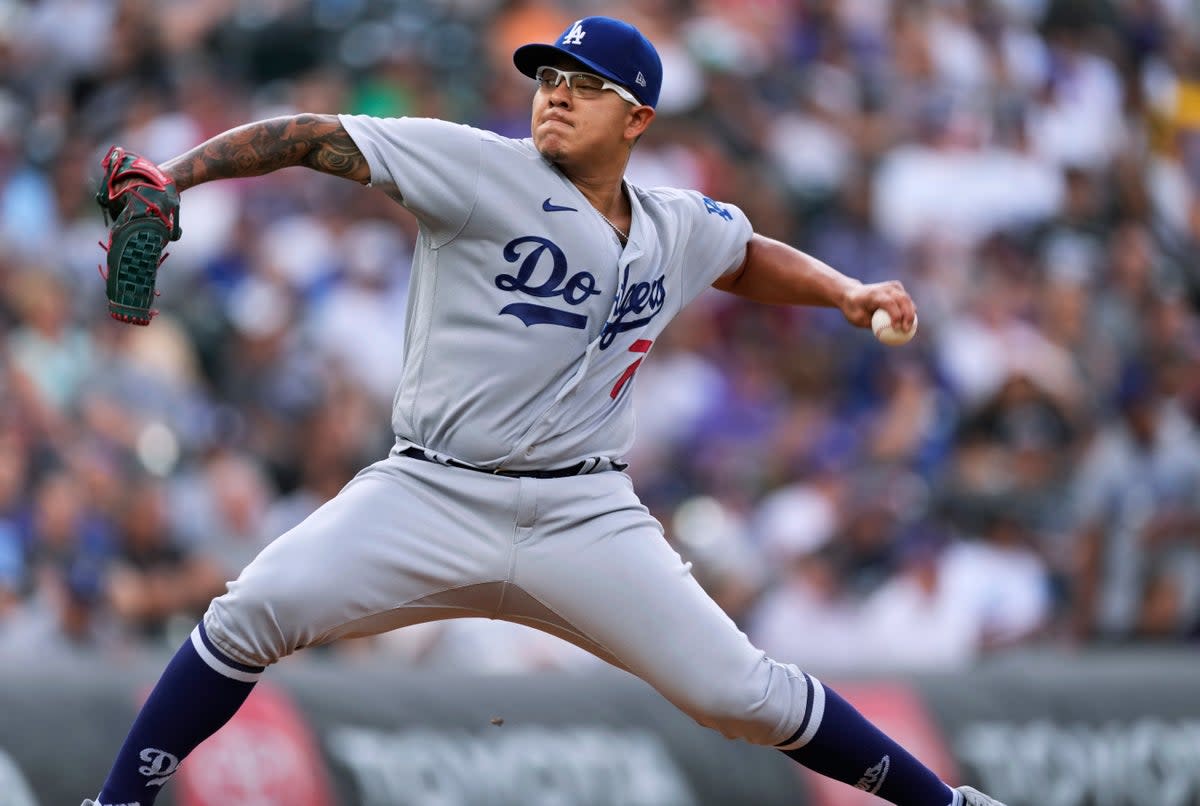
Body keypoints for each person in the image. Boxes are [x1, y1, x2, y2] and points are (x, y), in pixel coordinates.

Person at [84, 17, 1004, 806]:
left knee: (743, 695)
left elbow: (742, 251)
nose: (556, 95)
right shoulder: (477, 168)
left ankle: (945, 801)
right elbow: (313, 135)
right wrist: (179, 175)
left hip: (585, 514)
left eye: (586, 86)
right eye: (549, 79)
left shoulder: (673, 221)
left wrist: (844, 291)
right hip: (430, 492)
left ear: (637, 117)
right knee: (252, 613)